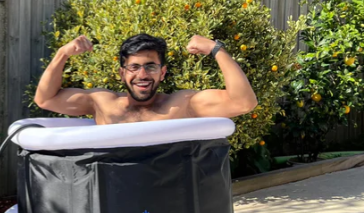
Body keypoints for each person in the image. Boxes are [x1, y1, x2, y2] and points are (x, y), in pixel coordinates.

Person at [34, 33, 258, 124]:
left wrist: (215, 48)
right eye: (134, 68)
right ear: (122, 74)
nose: (142, 75)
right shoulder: (102, 103)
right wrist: (62, 54)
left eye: (150, 67)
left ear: (162, 72)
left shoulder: (181, 105)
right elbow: (46, 99)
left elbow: (243, 102)